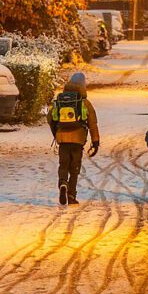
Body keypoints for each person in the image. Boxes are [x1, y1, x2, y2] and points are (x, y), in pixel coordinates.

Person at [49, 72, 100, 205]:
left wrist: (56, 133)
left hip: (63, 140)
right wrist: (95, 142)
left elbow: (50, 118)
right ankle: (71, 196)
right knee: (75, 168)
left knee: (63, 165)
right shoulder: (85, 102)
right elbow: (93, 123)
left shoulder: (60, 99)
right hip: (78, 139)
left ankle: (62, 183)